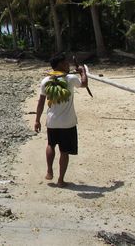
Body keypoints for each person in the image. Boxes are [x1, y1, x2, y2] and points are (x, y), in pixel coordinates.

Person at [34, 52, 88, 187]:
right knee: (64, 151)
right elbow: (84, 84)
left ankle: (49, 171)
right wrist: (82, 72)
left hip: (52, 121)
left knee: (51, 144)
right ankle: (60, 180)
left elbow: (40, 102)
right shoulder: (70, 78)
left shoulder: (46, 80)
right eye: (66, 62)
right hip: (68, 122)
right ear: (60, 64)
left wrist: (37, 120)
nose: (68, 64)